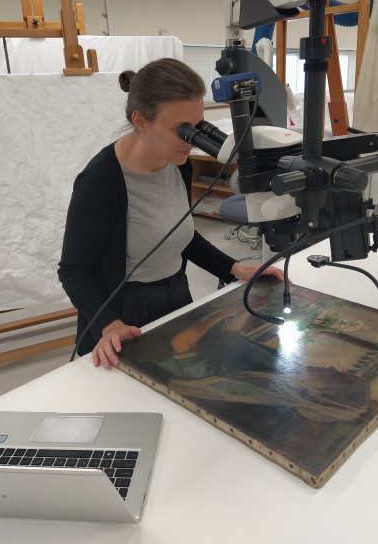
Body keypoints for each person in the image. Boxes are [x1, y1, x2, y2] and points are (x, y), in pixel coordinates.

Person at [58, 57, 284, 370]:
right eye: (182, 130)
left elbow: (180, 234)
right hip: (122, 311)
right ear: (140, 120)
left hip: (176, 294)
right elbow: (73, 269)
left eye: (197, 127)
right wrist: (109, 324)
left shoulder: (177, 162)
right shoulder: (101, 182)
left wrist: (234, 268)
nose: (191, 141)